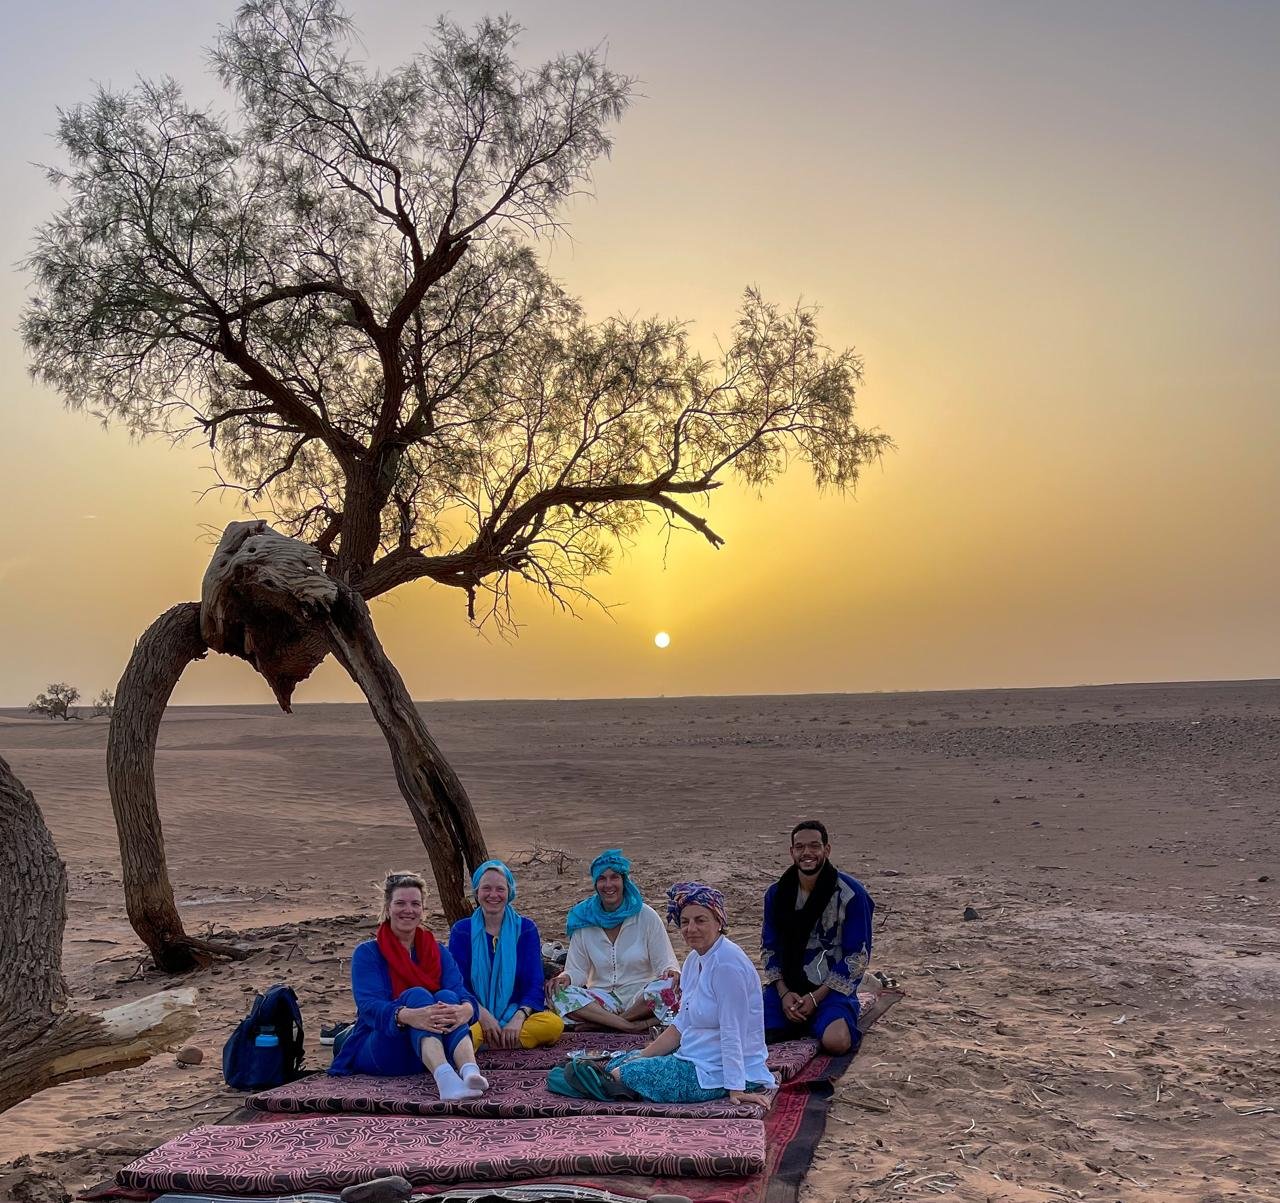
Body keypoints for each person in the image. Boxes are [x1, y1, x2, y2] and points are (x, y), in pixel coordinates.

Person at [601, 882, 775, 1108]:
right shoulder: (694, 960)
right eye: (685, 922)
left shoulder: (727, 965)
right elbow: (681, 1025)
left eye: (700, 920)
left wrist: (736, 1088)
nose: (691, 928)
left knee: (619, 1075)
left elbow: (733, 1031)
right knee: (617, 1064)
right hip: (691, 1057)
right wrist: (644, 1055)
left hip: (719, 1071)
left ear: (719, 922)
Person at [329, 870, 489, 1100]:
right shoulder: (368, 953)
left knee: (447, 996)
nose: (408, 910)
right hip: (385, 1046)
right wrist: (408, 1016)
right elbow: (369, 1006)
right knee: (417, 995)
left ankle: (469, 1071)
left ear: (423, 910)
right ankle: (445, 1078)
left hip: (430, 1051)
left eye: (415, 904)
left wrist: (467, 1010)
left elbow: (460, 991)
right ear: (387, 907)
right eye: (400, 903)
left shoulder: (438, 951)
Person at [761, 820, 874, 1054]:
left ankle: (827, 1019)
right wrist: (783, 993)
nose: (807, 853)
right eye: (800, 847)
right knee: (753, 1035)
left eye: (814, 846)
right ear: (792, 852)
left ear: (826, 850)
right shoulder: (776, 894)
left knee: (837, 1042)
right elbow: (769, 947)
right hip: (787, 988)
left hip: (830, 989)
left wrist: (815, 997)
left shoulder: (851, 894)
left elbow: (857, 955)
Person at [548, 849, 681, 1032]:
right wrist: (566, 978)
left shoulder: (645, 916)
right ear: (595, 883)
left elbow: (665, 963)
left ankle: (603, 1024)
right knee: (558, 994)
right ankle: (629, 1026)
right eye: (602, 878)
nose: (608, 884)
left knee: (669, 987)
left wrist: (671, 972)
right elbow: (577, 970)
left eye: (614, 877)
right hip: (602, 999)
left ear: (624, 881)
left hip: (640, 998)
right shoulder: (584, 919)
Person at [448, 859, 565, 1050]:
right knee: (463, 1030)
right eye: (486, 888)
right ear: (477, 892)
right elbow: (457, 983)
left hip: (516, 1014)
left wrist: (519, 1017)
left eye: (500, 889)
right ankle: (503, 1041)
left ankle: (487, 1043)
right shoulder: (462, 931)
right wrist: (483, 1015)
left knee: (552, 1025)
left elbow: (533, 981)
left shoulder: (526, 929)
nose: (493, 895)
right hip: (475, 1015)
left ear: (509, 892)